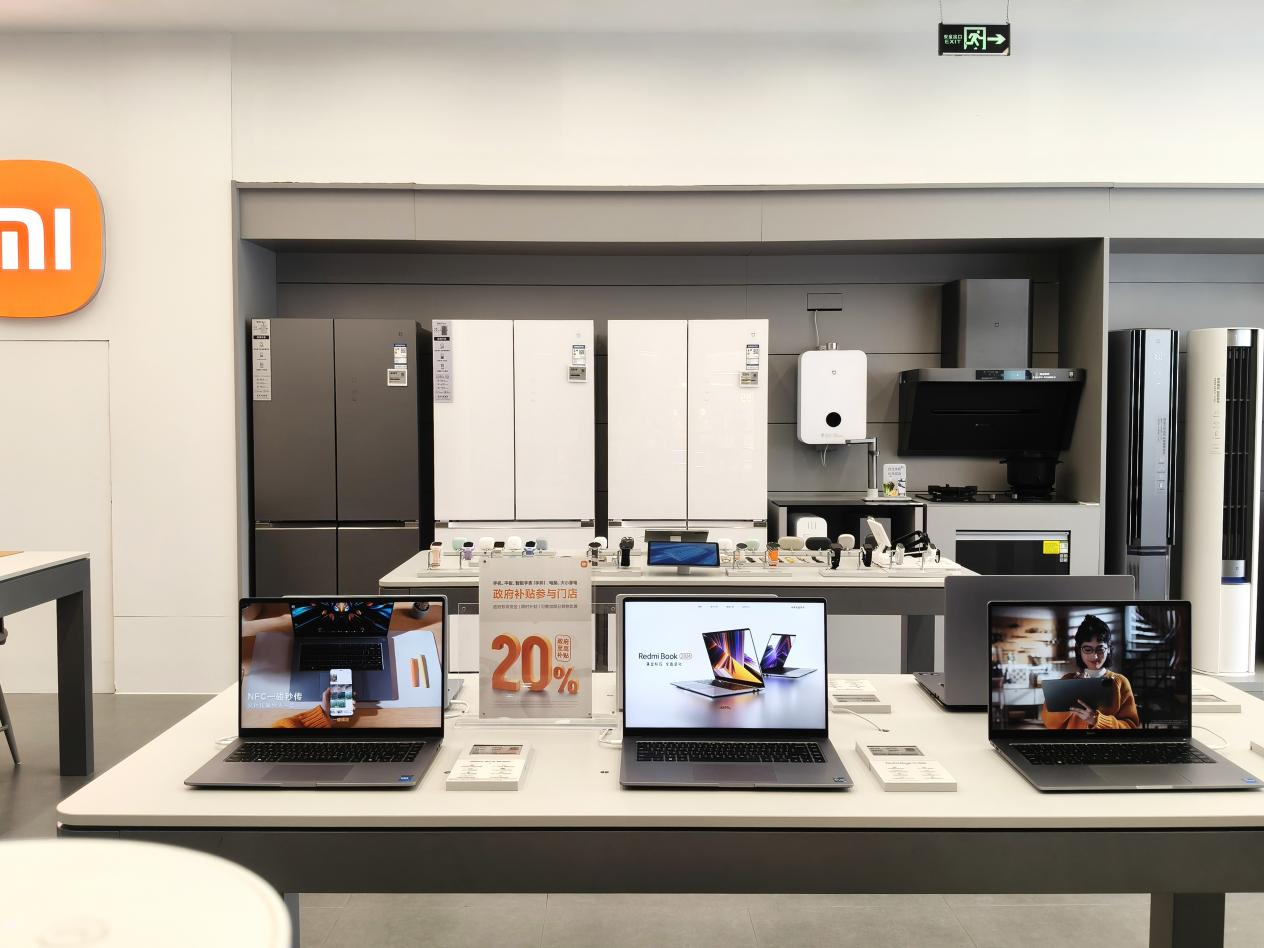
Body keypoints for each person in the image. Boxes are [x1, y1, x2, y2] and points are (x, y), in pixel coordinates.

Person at [1041, 614, 1140, 730]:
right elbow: (1049, 723)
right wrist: (1070, 698)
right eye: (1088, 649)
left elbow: (1131, 726)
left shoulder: (1120, 682)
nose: (1095, 656)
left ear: (1108, 649)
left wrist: (1097, 720)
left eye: (1100, 649)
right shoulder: (1067, 680)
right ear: (1079, 650)